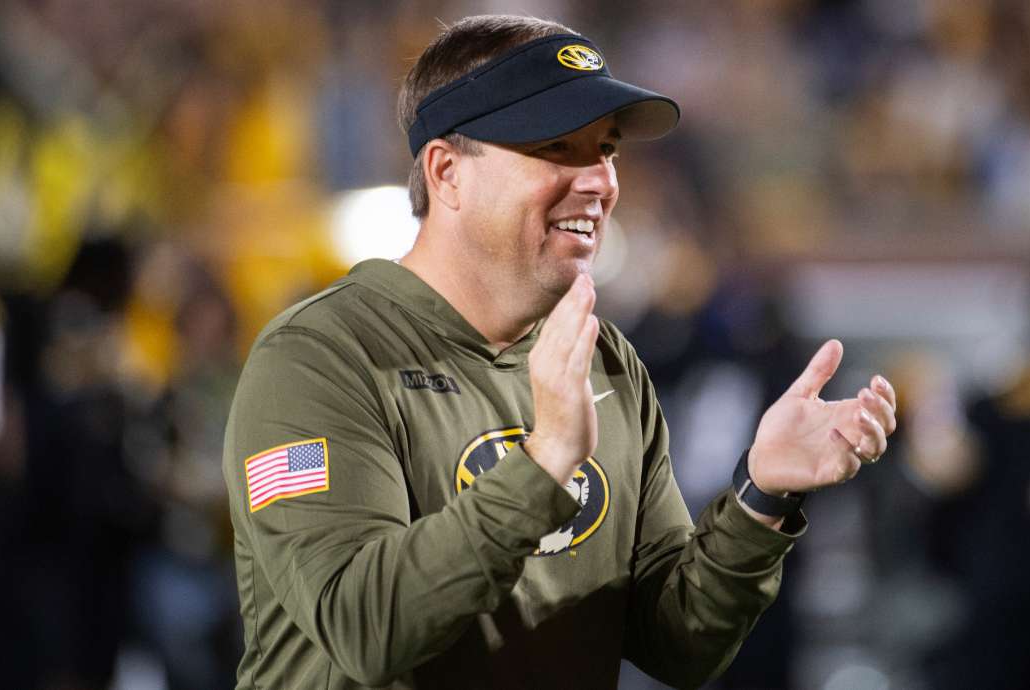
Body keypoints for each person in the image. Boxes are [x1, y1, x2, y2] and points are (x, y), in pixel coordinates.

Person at [222, 15, 897, 690]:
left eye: (605, 149)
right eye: (555, 147)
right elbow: (366, 630)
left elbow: (679, 641)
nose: (600, 180)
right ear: (447, 171)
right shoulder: (316, 360)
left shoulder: (606, 362)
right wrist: (543, 464)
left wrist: (760, 496)